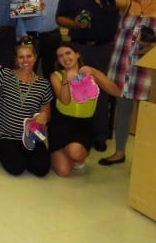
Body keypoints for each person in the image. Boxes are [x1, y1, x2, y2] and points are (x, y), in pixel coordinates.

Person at [56, 0, 156, 152]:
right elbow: (59, 18)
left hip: (105, 48)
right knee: (77, 89)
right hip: (79, 48)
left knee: (102, 91)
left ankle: (100, 135)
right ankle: (77, 132)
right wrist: (74, 23)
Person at [99, 0, 156, 166]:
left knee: (150, 112)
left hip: (147, 66)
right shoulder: (127, 3)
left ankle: (151, 155)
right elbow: (115, 0)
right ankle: (119, 152)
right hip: (122, 63)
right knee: (123, 109)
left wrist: (151, 46)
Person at [0, 41, 53, 177]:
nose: (25, 60)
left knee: (42, 169)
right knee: (16, 168)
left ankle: (21, 150)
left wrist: (44, 116)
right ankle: (7, 149)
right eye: (21, 57)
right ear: (16, 59)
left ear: (35, 57)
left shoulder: (43, 84)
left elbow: (47, 112)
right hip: (3, 134)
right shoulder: (5, 74)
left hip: (28, 134)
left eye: (28, 56)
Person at [49, 44, 121, 177]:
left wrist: (94, 72)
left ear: (77, 54)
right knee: (63, 171)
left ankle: (78, 152)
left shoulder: (90, 74)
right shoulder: (56, 75)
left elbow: (116, 91)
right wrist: (66, 80)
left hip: (83, 125)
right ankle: (67, 151)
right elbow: (65, 100)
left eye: (68, 53)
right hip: (60, 124)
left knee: (75, 152)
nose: (65, 58)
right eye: (60, 56)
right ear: (58, 60)